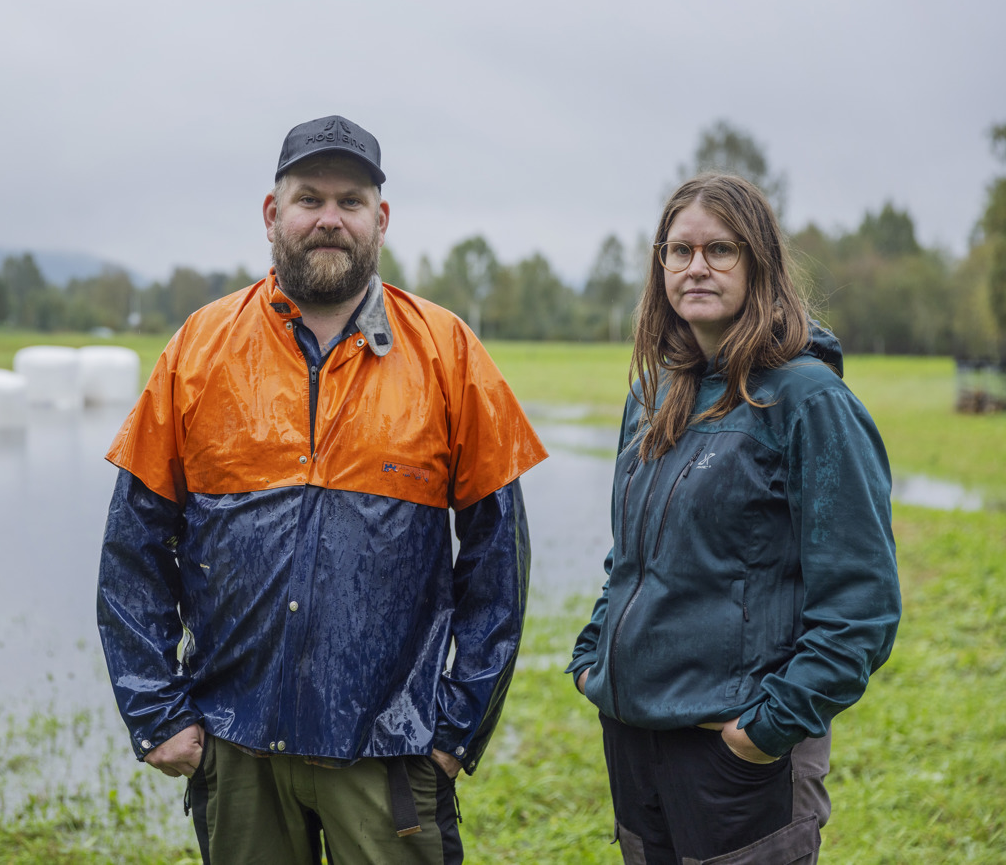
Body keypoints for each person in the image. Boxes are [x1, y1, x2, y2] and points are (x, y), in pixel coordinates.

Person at [97, 114, 547, 864]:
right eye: (309, 198)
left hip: (392, 750)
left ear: (382, 219)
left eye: (351, 201)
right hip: (237, 748)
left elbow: (499, 561)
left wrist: (455, 729)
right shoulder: (198, 349)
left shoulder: (448, 352)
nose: (329, 219)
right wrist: (154, 707)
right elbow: (133, 544)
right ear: (273, 214)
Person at [567, 173, 900, 864]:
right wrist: (594, 652)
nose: (696, 267)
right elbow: (630, 556)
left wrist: (766, 728)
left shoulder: (809, 399)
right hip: (636, 740)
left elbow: (861, 603)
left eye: (720, 250)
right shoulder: (653, 396)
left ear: (759, 264)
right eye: (678, 250)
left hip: (736, 756)